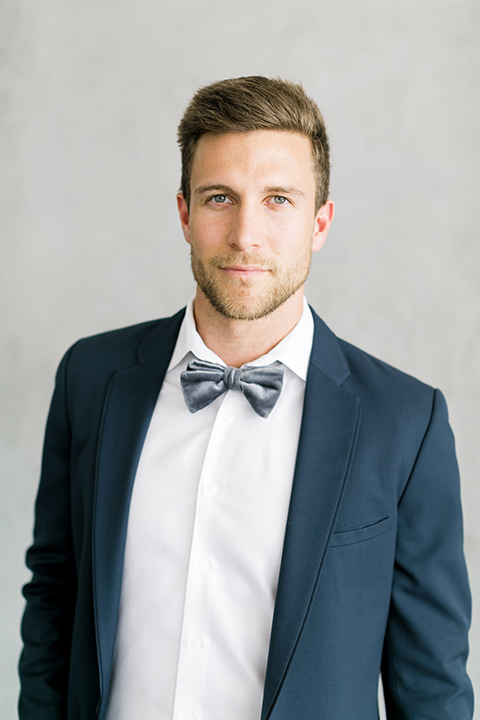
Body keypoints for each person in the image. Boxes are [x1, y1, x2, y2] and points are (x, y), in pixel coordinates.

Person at [19, 76, 473, 720]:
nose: (245, 234)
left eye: (278, 199)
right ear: (184, 213)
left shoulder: (406, 422)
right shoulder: (91, 380)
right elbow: (53, 607)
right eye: (219, 198)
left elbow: (431, 687)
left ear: (320, 222)